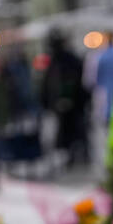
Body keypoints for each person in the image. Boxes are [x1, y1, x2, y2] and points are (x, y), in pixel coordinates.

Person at [42, 30, 91, 167]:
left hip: (74, 103)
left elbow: (78, 80)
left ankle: (81, 153)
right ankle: (74, 154)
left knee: (77, 130)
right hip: (66, 105)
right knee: (69, 132)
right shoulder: (57, 61)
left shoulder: (67, 60)